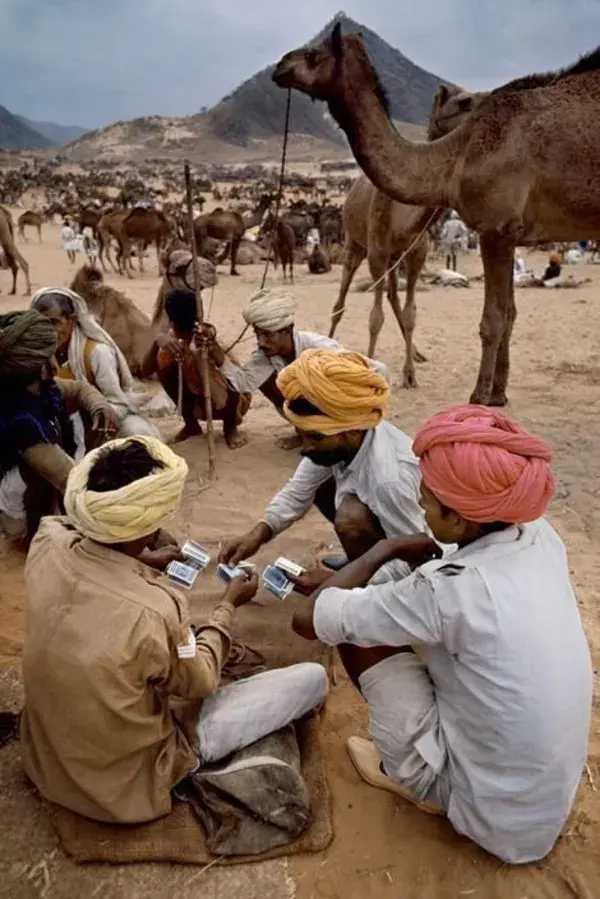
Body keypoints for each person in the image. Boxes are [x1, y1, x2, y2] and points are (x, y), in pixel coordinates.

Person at [291, 404, 592, 864]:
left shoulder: (447, 590)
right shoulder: (538, 535)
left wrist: (384, 549)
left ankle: (407, 773)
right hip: (535, 808)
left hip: (481, 813)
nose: (420, 509)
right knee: (396, 619)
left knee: (353, 630)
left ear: (460, 521)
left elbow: (308, 619)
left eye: (427, 503)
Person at [20, 436, 328, 824]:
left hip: (48, 759)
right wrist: (227, 606)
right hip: (127, 784)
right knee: (312, 679)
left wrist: (139, 557)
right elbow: (200, 682)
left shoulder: (48, 539)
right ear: (146, 524)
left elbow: (88, 549)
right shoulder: (154, 610)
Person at [220, 349, 427, 572]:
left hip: (415, 554)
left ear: (352, 432)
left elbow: (417, 560)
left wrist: (339, 583)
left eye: (314, 437)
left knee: (351, 516)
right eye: (302, 435)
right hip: (383, 528)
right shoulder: (341, 441)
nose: (306, 447)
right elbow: (298, 491)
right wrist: (257, 535)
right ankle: (357, 561)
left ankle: (362, 579)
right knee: (318, 484)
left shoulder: (388, 480)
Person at [212, 289, 389, 448]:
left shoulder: (320, 348)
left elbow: (379, 371)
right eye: (257, 334)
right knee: (269, 382)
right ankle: (305, 432)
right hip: (315, 405)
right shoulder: (267, 354)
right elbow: (243, 383)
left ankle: (337, 433)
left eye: (267, 334)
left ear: (287, 331)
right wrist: (215, 351)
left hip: (340, 410)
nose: (260, 342)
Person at [0, 309, 118, 543]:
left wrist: (100, 407)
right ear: (37, 365)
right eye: (51, 355)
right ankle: (33, 539)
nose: (56, 363)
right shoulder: (18, 419)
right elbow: (72, 482)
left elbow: (79, 388)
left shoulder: (30, 388)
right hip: (15, 514)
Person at [31, 286, 159, 442]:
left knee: (136, 433)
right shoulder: (33, 355)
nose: (49, 330)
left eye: (55, 323)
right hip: (56, 426)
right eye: (42, 323)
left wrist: (95, 413)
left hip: (98, 424)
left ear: (72, 320)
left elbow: (118, 403)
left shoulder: (97, 353)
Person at [142, 289, 251, 448]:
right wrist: (157, 342)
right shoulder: (174, 342)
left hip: (233, 404)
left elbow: (235, 384)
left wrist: (201, 355)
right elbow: (146, 371)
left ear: (172, 321)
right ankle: (191, 426)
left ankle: (230, 428)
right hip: (200, 401)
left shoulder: (208, 340)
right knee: (164, 366)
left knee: (210, 368)